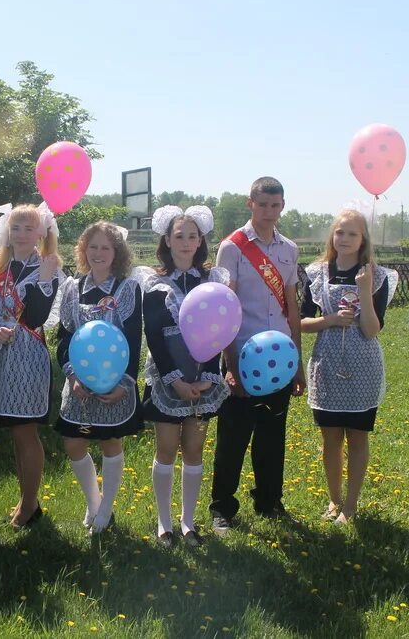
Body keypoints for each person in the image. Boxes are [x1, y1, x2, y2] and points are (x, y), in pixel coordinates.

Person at [210, 177, 305, 534]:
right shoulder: (232, 247)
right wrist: (230, 367)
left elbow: (292, 306)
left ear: (283, 206)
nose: (269, 212)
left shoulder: (289, 249)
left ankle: (269, 500)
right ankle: (222, 507)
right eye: (263, 204)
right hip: (242, 356)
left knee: (272, 435)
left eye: (276, 205)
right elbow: (225, 309)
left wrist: (297, 364)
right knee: (233, 437)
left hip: (279, 358)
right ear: (251, 203)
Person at [300, 209, 397, 524]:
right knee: (330, 438)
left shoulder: (376, 275)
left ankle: (351, 504)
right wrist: (329, 320)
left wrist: (365, 292)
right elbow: (301, 322)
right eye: (339, 232)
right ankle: (334, 499)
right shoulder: (316, 273)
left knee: (357, 436)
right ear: (332, 236)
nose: (344, 239)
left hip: (363, 366)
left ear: (363, 239)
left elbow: (371, 329)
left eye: (352, 234)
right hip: (326, 363)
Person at [141, 205, 231, 546]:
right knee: (166, 448)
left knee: (194, 449)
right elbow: (154, 334)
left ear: (200, 241)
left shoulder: (212, 280)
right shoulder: (154, 281)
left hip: (204, 376)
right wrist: (175, 380)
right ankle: (164, 524)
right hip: (168, 378)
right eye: (179, 236)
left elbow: (220, 331)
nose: (186, 241)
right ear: (167, 239)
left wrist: (208, 376)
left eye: (192, 236)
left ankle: (189, 522)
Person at [0, 203, 62, 528]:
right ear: (6, 232)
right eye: (16, 227)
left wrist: (47, 279)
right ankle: (28, 500)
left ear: (41, 232)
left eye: (29, 228)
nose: (22, 234)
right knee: (17, 431)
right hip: (2, 355)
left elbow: (37, 317)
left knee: (26, 431)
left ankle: (28, 506)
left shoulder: (47, 267)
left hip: (29, 356)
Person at [56, 222, 142, 535]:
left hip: (115, 382)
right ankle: (94, 503)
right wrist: (72, 375)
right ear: (83, 250)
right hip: (78, 382)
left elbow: (134, 339)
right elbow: (63, 338)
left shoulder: (128, 289)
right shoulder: (72, 287)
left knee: (109, 441)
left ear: (116, 252)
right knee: (73, 442)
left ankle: (106, 511)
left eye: (106, 247)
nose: (98, 253)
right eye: (93, 246)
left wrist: (124, 384)